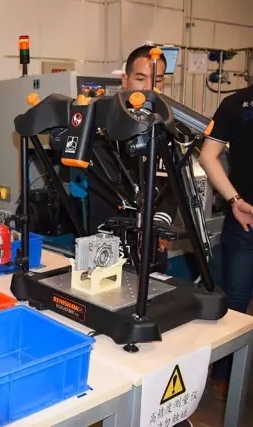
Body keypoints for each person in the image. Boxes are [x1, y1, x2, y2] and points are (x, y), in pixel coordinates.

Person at [86, 44, 178, 273]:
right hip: (107, 235)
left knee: (154, 287)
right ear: (125, 80)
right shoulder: (101, 121)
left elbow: (172, 183)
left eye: (157, 80)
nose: (149, 88)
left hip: (152, 237)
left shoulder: (166, 125)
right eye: (140, 78)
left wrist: (160, 224)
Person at [199, 83, 253, 400]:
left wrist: (235, 201)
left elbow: (208, 156)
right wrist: (235, 202)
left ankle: (225, 376)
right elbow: (208, 156)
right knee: (234, 303)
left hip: (244, 216)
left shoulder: (236, 103)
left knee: (235, 302)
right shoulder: (237, 104)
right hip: (246, 221)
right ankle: (223, 374)